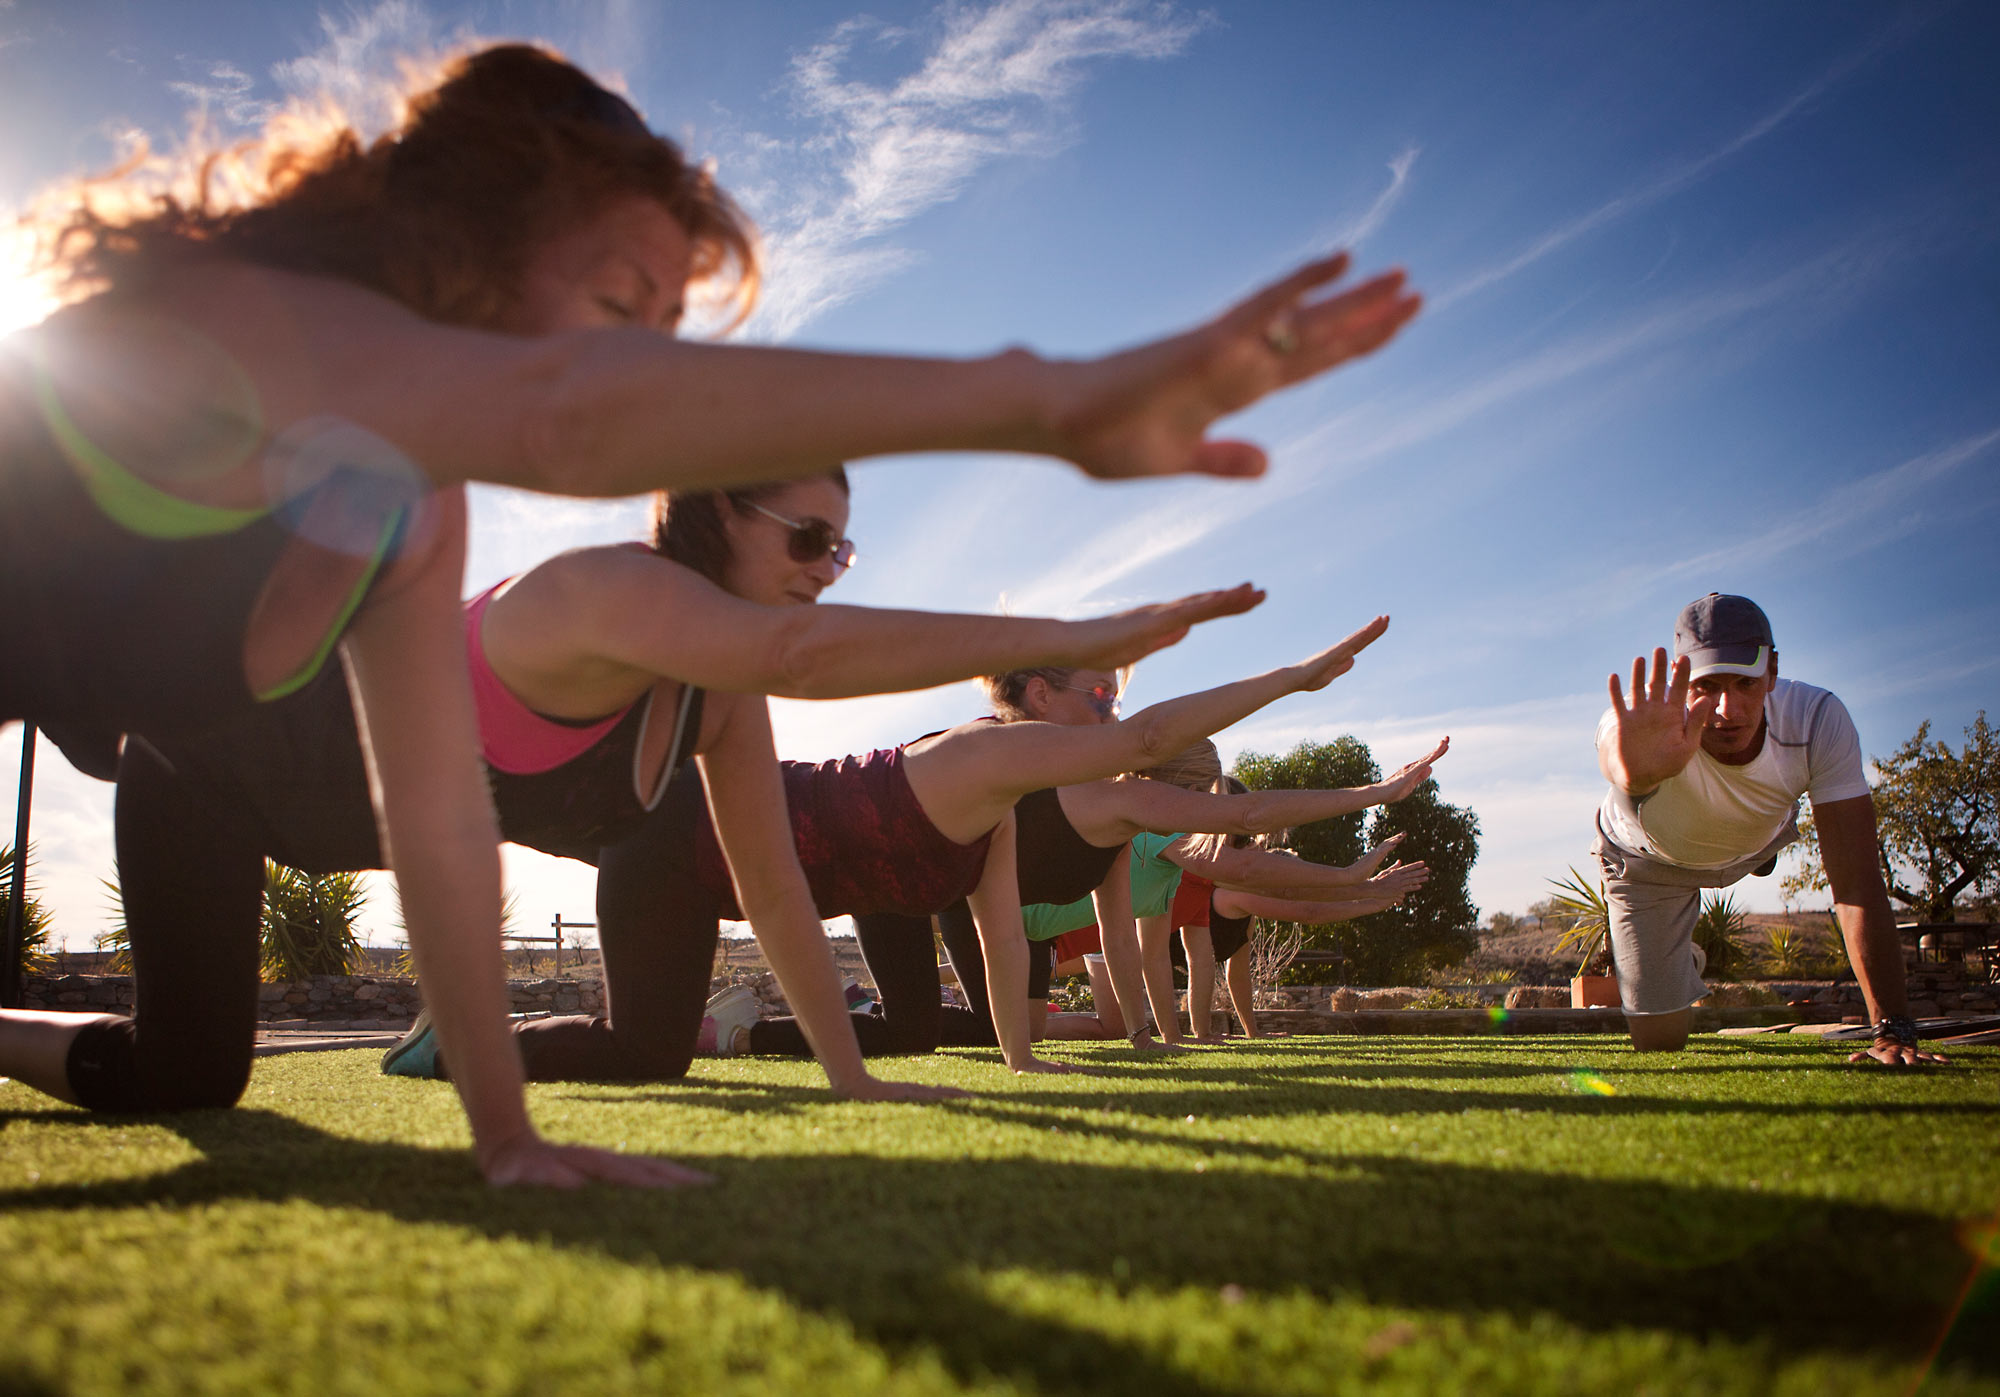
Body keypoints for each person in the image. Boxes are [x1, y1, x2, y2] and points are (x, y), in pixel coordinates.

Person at [0, 41, 1424, 1189]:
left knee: (190, 1075)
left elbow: (440, 820)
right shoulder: (257, 323)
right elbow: (580, 429)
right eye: (620, 296)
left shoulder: (412, 514)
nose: (636, 358)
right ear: (473, 226)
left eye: (665, 330)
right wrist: (1051, 404)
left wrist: (507, 1136)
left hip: (187, 773)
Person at [1596, 593, 1941, 1063]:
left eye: (1745, 683)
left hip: (1752, 843)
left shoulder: (1817, 719)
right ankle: (1686, 957)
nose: (1726, 710)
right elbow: (1614, 752)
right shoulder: (1642, 722)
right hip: (1648, 864)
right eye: (1708, 685)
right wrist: (1636, 775)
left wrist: (1893, 1027)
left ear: (1772, 672)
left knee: (1766, 831)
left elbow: (1856, 882)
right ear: (1680, 677)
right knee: (1660, 1042)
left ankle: (1755, 845)